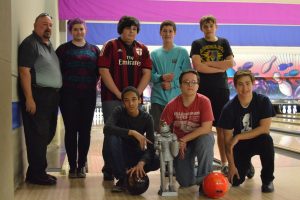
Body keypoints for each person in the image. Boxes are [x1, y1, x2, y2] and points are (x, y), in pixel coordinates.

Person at [98, 16, 152, 180]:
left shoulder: (142, 48)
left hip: (134, 100)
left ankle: (129, 167)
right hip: (112, 98)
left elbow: (147, 73)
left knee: (134, 136)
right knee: (112, 133)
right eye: (128, 28)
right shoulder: (110, 45)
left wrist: (135, 95)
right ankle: (109, 169)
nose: (131, 31)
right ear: (121, 29)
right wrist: (118, 93)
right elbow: (103, 70)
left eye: (134, 29)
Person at [18, 13, 62, 185]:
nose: (48, 28)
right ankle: (38, 174)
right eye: (44, 24)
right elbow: (24, 71)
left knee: (46, 133)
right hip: (38, 95)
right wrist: (29, 98)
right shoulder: (30, 44)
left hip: (51, 97)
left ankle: (35, 172)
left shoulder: (49, 45)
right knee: (37, 135)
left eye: (50, 25)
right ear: (35, 25)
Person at [56, 18, 100, 178]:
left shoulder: (95, 50)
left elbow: (98, 73)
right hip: (68, 96)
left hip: (88, 96)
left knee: (85, 131)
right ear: (70, 31)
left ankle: (82, 165)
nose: (78, 32)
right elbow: (57, 72)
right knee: (70, 131)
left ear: (85, 30)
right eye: (75, 29)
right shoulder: (62, 50)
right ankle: (72, 166)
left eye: (81, 29)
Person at [190, 15, 234, 173]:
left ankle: (225, 163)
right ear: (201, 28)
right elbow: (198, 67)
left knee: (222, 129)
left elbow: (230, 64)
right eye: (205, 26)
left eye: (211, 26)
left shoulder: (224, 42)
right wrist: (219, 67)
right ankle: (202, 163)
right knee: (203, 128)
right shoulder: (197, 44)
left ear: (216, 26)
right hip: (203, 90)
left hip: (221, 90)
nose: (208, 29)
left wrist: (207, 63)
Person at [218, 69, 275, 193]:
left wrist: (238, 136)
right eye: (240, 84)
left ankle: (267, 180)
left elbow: (264, 128)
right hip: (240, 147)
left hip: (258, 141)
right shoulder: (228, 109)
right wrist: (231, 165)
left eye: (248, 83)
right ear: (235, 85)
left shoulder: (263, 101)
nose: (245, 88)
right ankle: (247, 165)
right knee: (235, 181)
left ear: (253, 83)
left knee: (267, 139)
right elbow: (227, 141)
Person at [160, 70, 215, 192]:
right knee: (185, 182)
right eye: (186, 82)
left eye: (193, 82)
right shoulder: (171, 105)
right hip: (181, 145)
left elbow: (207, 128)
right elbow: (163, 130)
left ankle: (205, 180)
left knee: (206, 139)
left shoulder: (204, 101)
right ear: (180, 86)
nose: (190, 85)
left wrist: (184, 139)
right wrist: (174, 142)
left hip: (198, 139)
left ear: (198, 86)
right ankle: (195, 171)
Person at [103, 86, 159, 192]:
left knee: (156, 160)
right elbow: (107, 128)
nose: (131, 103)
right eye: (127, 100)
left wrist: (141, 162)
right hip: (118, 154)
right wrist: (132, 132)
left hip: (135, 154)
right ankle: (123, 178)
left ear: (139, 100)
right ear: (123, 102)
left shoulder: (147, 118)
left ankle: (134, 172)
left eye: (134, 99)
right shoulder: (119, 111)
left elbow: (151, 148)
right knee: (112, 137)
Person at [150, 20, 191, 132]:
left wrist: (172, 84)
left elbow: (188, 78)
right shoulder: (154, 54)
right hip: (158, 99)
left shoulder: (182, 52)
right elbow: (150, 76)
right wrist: (161, 77)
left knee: (177, 134)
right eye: (164, 31)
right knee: (158, 133)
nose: (167, 34)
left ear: (175, 33)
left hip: (177, 98)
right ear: (160, 33)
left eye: (170, 31)